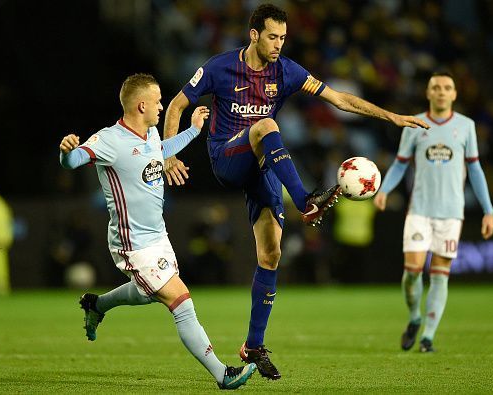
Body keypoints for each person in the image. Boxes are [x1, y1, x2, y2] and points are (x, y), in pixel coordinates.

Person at [162, 3, 430, 379]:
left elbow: (339, 99)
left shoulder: (286, 71)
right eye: (272, 37)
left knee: (271, 253)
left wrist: (392, 117)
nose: (278, 44)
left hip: (264, 165)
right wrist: (170, 152)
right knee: (266, 124)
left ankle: (254, 346)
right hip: (228, 157)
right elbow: (176, 104)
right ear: (253, 34)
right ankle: (305, 199)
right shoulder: (220, 66)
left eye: (283, 37)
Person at [58, 73, 256, 390]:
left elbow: (160, 150)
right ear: (141, 105)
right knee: (180, 300)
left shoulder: (149, 134)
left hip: (158, 237)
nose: (162, 106)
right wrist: (67, 151)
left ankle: (96, 305)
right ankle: (223, 374)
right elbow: (74, 160)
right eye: (158, 100)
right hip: (132, 244)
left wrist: (192, 131)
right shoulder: (110, 139)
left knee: (147, 293)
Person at [373, 71, 493, 353]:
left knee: (440, 275)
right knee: (413, 272)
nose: (441, 91)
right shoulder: (414, 124)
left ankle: (428, 337)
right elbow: (401, 163)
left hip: (452, 213)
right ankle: (415, 317)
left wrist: (488, 210)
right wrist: (384, 190)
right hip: (419, 211)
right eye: (436, 87)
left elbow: (475, 169)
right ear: (428, 93)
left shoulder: (466, 126)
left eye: (447, 88)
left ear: (454, 94)